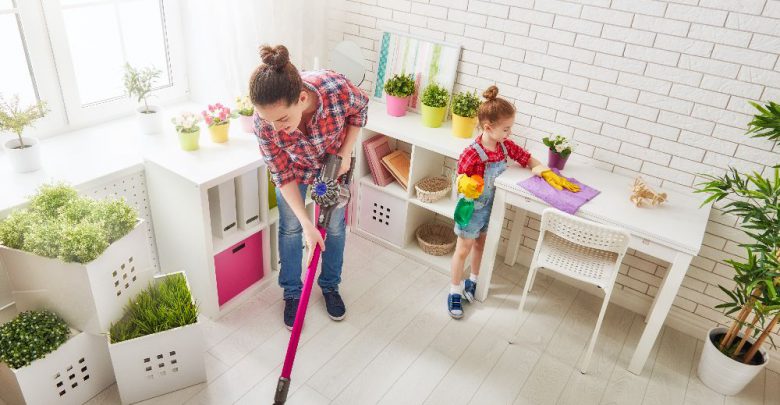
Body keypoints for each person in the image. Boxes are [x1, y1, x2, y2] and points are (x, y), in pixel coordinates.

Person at [249, 44, 368, 329]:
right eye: (267, 121)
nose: (275, 130)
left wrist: (346, 151)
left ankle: (329, 285)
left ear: (302, 99)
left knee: (335, 228)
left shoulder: (335, 88)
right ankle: (292, 292)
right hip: (294, 171)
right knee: (291, 227)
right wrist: (306, 223)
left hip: (331, 167)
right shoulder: (265, 124)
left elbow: (360, 108)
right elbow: (281, 175)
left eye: (282, 119)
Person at [448, 85, 580, 319]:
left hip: (491, 207)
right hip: (471, 208)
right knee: (463, 250)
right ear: (488, 127)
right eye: (506, 129)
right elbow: (459, 175)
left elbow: (525, 157)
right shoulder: (472, 152)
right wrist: (463, 182)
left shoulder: (503, 146)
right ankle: (454, 290)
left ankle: (473, 281)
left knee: (481, 245)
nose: (509, 133)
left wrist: (542, 170)